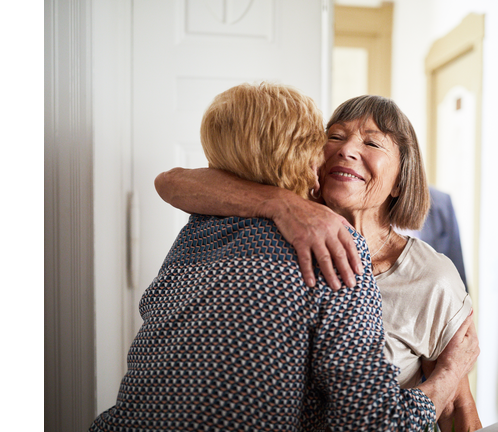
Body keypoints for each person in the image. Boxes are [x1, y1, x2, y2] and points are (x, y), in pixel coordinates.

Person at [90, 83, 478, 431]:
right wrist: (280, 203)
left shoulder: (432, 279)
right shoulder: (247, 223)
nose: (346, 149)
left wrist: (451, 371)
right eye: (334, 137)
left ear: (402, 178)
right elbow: (171, 180)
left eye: (372, 143)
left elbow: (461, 416)